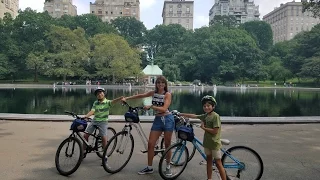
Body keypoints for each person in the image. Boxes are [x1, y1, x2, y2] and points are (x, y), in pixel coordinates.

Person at [121, 75, 174, 175]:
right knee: (150, 144)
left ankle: (168, 166)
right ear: (156, 84)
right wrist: (127, 98)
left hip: (168, 119)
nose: (160, 84)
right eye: (158, 83)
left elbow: (164, 108)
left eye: (162, 83)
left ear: (165, 84)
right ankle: (149, 167)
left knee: (167, 145)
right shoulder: (153, 93)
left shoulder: (167, 94)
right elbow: (141, 95)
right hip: (158, 120)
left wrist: (151, 106)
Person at [179, 95, 227, 180]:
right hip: (207, 143)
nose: (206, 107)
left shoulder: (215, 116)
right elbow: (194, 116)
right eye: (204, 106)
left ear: (213, 106)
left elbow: (215, 131)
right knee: (209, 161)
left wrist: (204, 128)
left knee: (218, 164)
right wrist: (181, 114)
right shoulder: (206, 116)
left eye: (208, 106)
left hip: (214, 143)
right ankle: (209, 178)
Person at [83, 87, 123, 158]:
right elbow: (93, 111)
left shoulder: (107, 102)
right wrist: (86, 116)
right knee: (85, 135)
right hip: (94, 120)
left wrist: (120, 98)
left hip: (103, 122)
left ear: (104, 93)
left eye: (101, 93)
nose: (99, 94)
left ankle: (105, 155)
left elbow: (113, 101)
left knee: (104, 138)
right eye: (97, 94)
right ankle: (83, 151)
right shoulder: (96, 102)